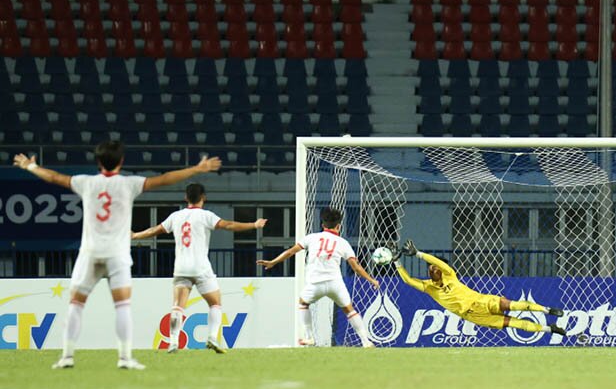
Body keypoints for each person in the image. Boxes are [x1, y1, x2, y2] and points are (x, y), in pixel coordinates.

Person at [13, 141, 222, 370]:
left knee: (76, 304)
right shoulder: (129, 184)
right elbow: (164, 179)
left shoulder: (86, 182)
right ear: (121, 161)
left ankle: (67, 356)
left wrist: (30, 166)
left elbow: (54, 177)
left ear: (98, 161)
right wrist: (196, 169)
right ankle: (124, 358)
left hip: (90, 253)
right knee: (122, 305)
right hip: (117, 254)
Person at [131, 183, 267, 354]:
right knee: (215, 303)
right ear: (203, 197)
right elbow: (229, 225)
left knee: (177, 306)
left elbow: (155, 230)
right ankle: (212, 337)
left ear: (186, 198)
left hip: (181, 268)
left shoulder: (176, 216)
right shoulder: (205, 216)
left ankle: (173, 342)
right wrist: (253, 225)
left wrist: (135, 235)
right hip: (201, 267)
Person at [257, 208, 378, 347]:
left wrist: (273, 262)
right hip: (335, 284)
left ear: (322, 225)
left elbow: (290, 252)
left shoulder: (311, 238)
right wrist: (371, 280)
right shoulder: (343, 243)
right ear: (338, 226)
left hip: (315, 284)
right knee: (349, 310)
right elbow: (356, 267)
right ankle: (365, 341)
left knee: (303, 303)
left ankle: (309, 337)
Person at [392, 240, 567, 337]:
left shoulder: (449, 274)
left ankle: (547, 310)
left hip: (482, 300)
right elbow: (408, 280)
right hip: (474, 316)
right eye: (431, 268)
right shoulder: (429, 287)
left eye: (435, 267)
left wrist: (418, 254)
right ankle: (550, 329)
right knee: (516, 324)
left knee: (514, 305)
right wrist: (397, 261)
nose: (433, 269)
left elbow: (438, 262)